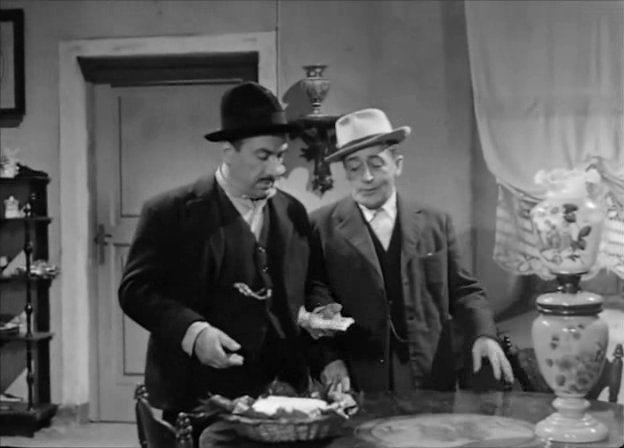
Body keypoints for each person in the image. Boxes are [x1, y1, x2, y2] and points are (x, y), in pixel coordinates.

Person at [119, 82, 317, 422]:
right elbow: (135, 291)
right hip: (196, 394)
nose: (277, 170)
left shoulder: (293, 213)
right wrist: (194, 333)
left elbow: (308, 289)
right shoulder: (170, 211)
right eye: (263, 156)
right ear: (228, 152)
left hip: (280, 396)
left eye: (281, 156)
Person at [307, 108, 514, 393]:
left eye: (376, 164)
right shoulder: (321, 227)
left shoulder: (435, 222)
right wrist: (329, 360)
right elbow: (315, 302)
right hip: (358, 377)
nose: (367, 177)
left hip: (429, 375)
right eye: (354, 168)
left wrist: (483, 335)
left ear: (398, 164)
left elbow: (464, 290)